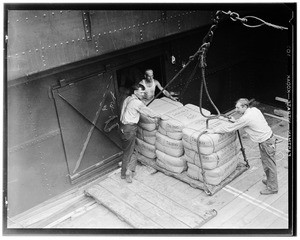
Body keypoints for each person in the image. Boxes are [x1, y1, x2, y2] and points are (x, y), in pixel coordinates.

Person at [206, 98, 278, 195]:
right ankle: (270, 181)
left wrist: (214, 131)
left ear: (244, 106)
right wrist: (236, 121)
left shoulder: (246, 118)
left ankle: (272, 187)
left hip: (266, 143)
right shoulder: (254, 110)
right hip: (268, 140)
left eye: (238, 107)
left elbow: (230, 128)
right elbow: (245, 121)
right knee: (266, 163)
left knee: (269, 165)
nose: (236, 110)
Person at [119, 83, 160, 183]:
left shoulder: (128, 99)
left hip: (123, 128)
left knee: (129, 151)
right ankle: (127, 172)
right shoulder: (137, 103)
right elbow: (148, 112)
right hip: (130, 129)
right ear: (135, 92)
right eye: (141, 92)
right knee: (131, 151)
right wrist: (159, 116)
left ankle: (125, 172)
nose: (143, 94)